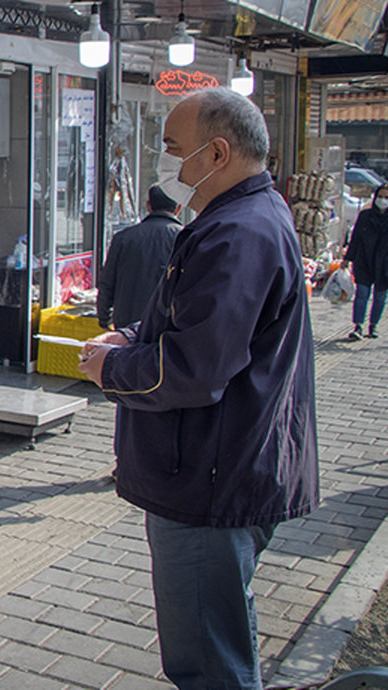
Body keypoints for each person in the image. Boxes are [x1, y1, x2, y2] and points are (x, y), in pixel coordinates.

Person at [78, 87, 318, 689]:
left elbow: (193, 368)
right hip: (225, 470)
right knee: (222, 638)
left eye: (171, 149)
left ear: (215, 154)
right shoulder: (240, 219)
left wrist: (112, 369)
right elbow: (191, 321)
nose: (165, 162)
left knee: (208, 662)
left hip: (213, 480)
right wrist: (130, 335)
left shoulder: (238, 234)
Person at [96, 185, 181, 330]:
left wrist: (104, 318)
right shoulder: (184, 239)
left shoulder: (123, 238)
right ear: (178, 208)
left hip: (126, 323)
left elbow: (107, 282)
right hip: (166, 325)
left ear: (148, 206)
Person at [342, 183, 388, 340]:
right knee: (362, 293)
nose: (383, 200)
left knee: (380, 296)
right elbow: (355, 239)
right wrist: (347, 258)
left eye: (386, 198)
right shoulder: (365, 216)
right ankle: (358, 326)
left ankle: (373, 325)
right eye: (380, 197)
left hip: (384, 265)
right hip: (364, 261)